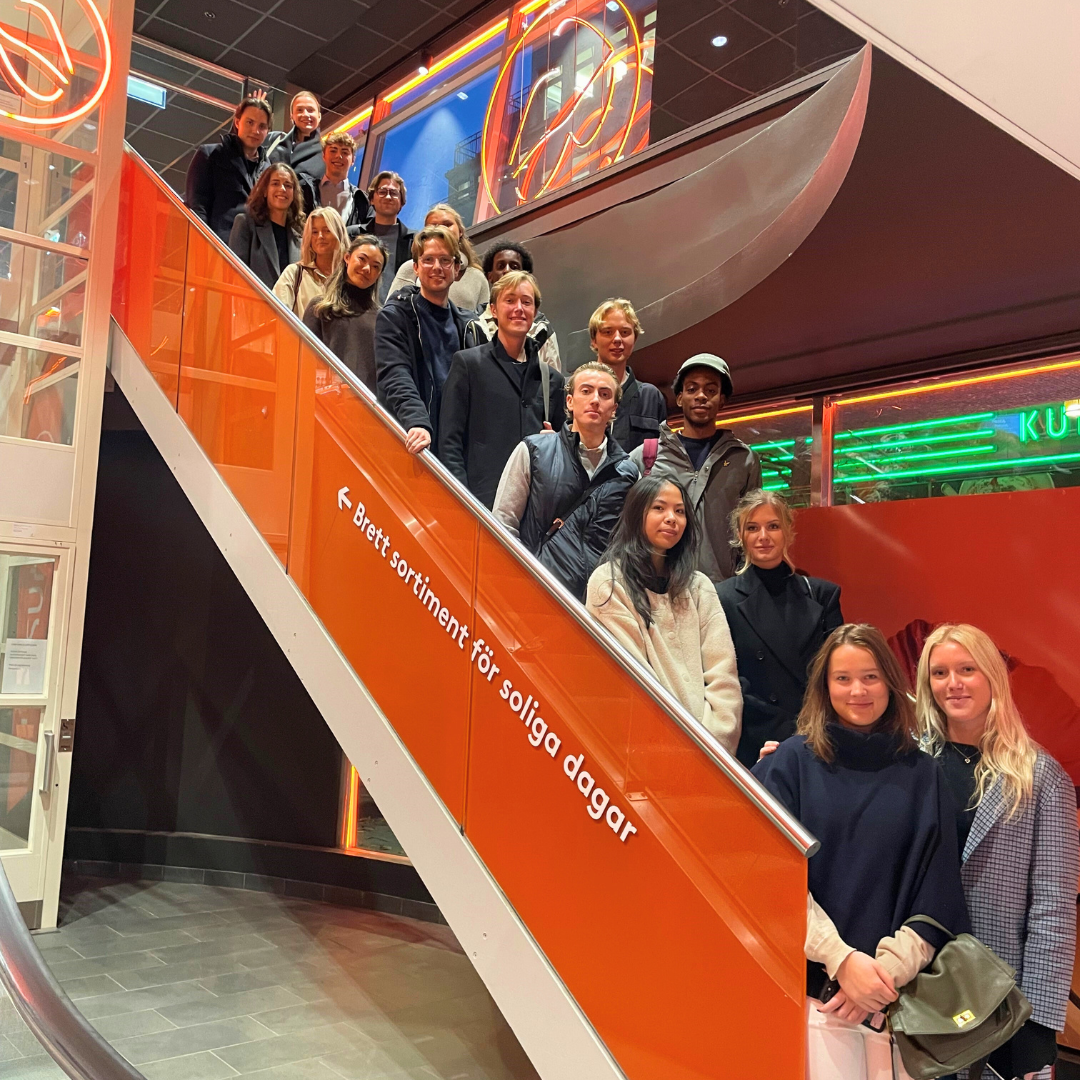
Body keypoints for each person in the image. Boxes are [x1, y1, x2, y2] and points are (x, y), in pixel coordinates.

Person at [754, 624, 970, 1080]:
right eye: (843, 678)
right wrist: (842, 961)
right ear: (824, 686)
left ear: (890, 683)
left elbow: (939, 890)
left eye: (870, 677)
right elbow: (767, 878)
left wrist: (881, 977)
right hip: (813, 1002)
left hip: (899, 1004)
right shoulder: (789, 764)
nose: (858, 691)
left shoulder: (923, 773)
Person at [916, 624, 1079, 1080]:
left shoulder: (1042, 776)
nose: (953, 683)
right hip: (916, 987)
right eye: (940, 673)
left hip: (1004, 999)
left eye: (967, 669)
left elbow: (1053, 909)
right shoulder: (910, 765)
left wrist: (1038, 1023)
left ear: (992, 676)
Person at [586, 475, 741, 754]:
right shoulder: (608, 582)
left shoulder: (699, 586)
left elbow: (723, 674)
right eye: (659, 508)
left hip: (711, 755)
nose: (671, 518)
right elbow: (631, 679)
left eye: (679, 511)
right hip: (643, 750)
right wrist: (680, 749)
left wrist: (713, 746)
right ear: (637, 514)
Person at [717, 490, 843, 768]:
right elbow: (723, 680)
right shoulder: (721, 598)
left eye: (773, 526)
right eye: (752, 528)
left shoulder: (824, 595)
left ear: (788, 531)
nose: (763, 536)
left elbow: (836, 674)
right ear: (740, 535)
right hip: (754, 744)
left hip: (815, 738)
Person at [492, 360, 638, 600]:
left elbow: (631, 544)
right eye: (586, 391)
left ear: (614, 409)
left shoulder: (629, 472)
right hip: (536, 592)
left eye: (604, 394)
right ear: (570, 401)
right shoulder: (533, 450)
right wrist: (519, 583)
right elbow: (503, 523)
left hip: (599, 604)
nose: (595, 400)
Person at [438, 270, 565, 508]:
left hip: (534, 506)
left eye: (526, 302)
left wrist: (556, 443)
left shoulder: (552, 380)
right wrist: (461, 499)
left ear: (535, 312)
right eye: (510, 300)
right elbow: (449, 441)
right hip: (479, 503)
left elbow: (563, 454)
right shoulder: (468, 364)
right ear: (494, 310)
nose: (519, 308)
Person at [631, 354, 761, 581]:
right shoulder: (646, 456)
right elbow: (627, 526)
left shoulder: (744, 460)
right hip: (656, 585)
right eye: (692, 389)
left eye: (711, 390)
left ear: (722, 400)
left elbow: (752, 527)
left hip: (721, 588)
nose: (701, 396)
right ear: (680, 398)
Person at [375, 226, 474, 455]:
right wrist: (417, 421)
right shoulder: (395, 316)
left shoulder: (469, 326)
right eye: (428, 260)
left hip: (456, 449)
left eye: (445, 260)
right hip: (413, 441)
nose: (437, 267)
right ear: (416, 268)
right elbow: (395, 374)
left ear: (456, 268)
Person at [303, 235, 386, 392]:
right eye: (362, 259)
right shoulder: (319, 307)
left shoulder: (381, 318)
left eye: (375, 266)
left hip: (367, 402)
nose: (367, 268)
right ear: (347, 257)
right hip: (324, 400)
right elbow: (304, 361)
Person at [186, 95, 271, 241]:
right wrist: (203, 242)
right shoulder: (211, 155)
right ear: (237, 122)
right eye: (250, 122)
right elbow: (198, 205)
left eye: (262, 126)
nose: (255, 130)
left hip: (254, 248)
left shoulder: (269, 170)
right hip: (219, 244)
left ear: (268, 131)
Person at [587, 299, 666, 452]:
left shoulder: (651, 397)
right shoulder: (573, 391)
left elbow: (662, 454)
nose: (617, 339)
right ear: (594, 340)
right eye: (608, 332)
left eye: (625, 332)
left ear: (634, 339)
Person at [475, 241, 561, 371]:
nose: (507, 270)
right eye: (501, 266)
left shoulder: (542, 329)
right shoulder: (474, 324)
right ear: (490, 276)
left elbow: (552, 378)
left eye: (514, 266)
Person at [387, 204, 489, 310]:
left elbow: (486, 317)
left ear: (460, 231)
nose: (441, 229)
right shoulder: (409, 268)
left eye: (447, 224)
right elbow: (392, 308)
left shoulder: (477, 277)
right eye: (434, 225)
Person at [227, 163, 304, 290]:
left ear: (294, 194)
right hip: (253, 301)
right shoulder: (245, 223)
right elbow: (235, 275)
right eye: (275, 183)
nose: (282, 189)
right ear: (264, 191)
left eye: (288, 185)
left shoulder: (300, 233)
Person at [273, 206, 347, 318]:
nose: (320, 236)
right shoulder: (294, 273)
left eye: (327, 230)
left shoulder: (350, 276)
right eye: (315, 232)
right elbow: (276, 314)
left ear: (339, 234)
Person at [297, 132, 371, 229]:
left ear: (353, 160)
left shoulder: (361, 200)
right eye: (333, 151)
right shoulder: (304, 190)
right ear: (324, 156)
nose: (338, 156)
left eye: (345, 152)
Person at [365, 170, 413, 300]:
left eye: (393, 193)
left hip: (398, 309)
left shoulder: (414, 241)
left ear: (402, 202)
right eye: (382, 192)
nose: (387, 197)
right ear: (372, 199)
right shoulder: (353, 235)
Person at [266, 90, 325, 183]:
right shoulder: (274, 139)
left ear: (319, 116)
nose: (305, 114)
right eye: (299, 110)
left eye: (310, 110)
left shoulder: (325, 153)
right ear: (292, 116)